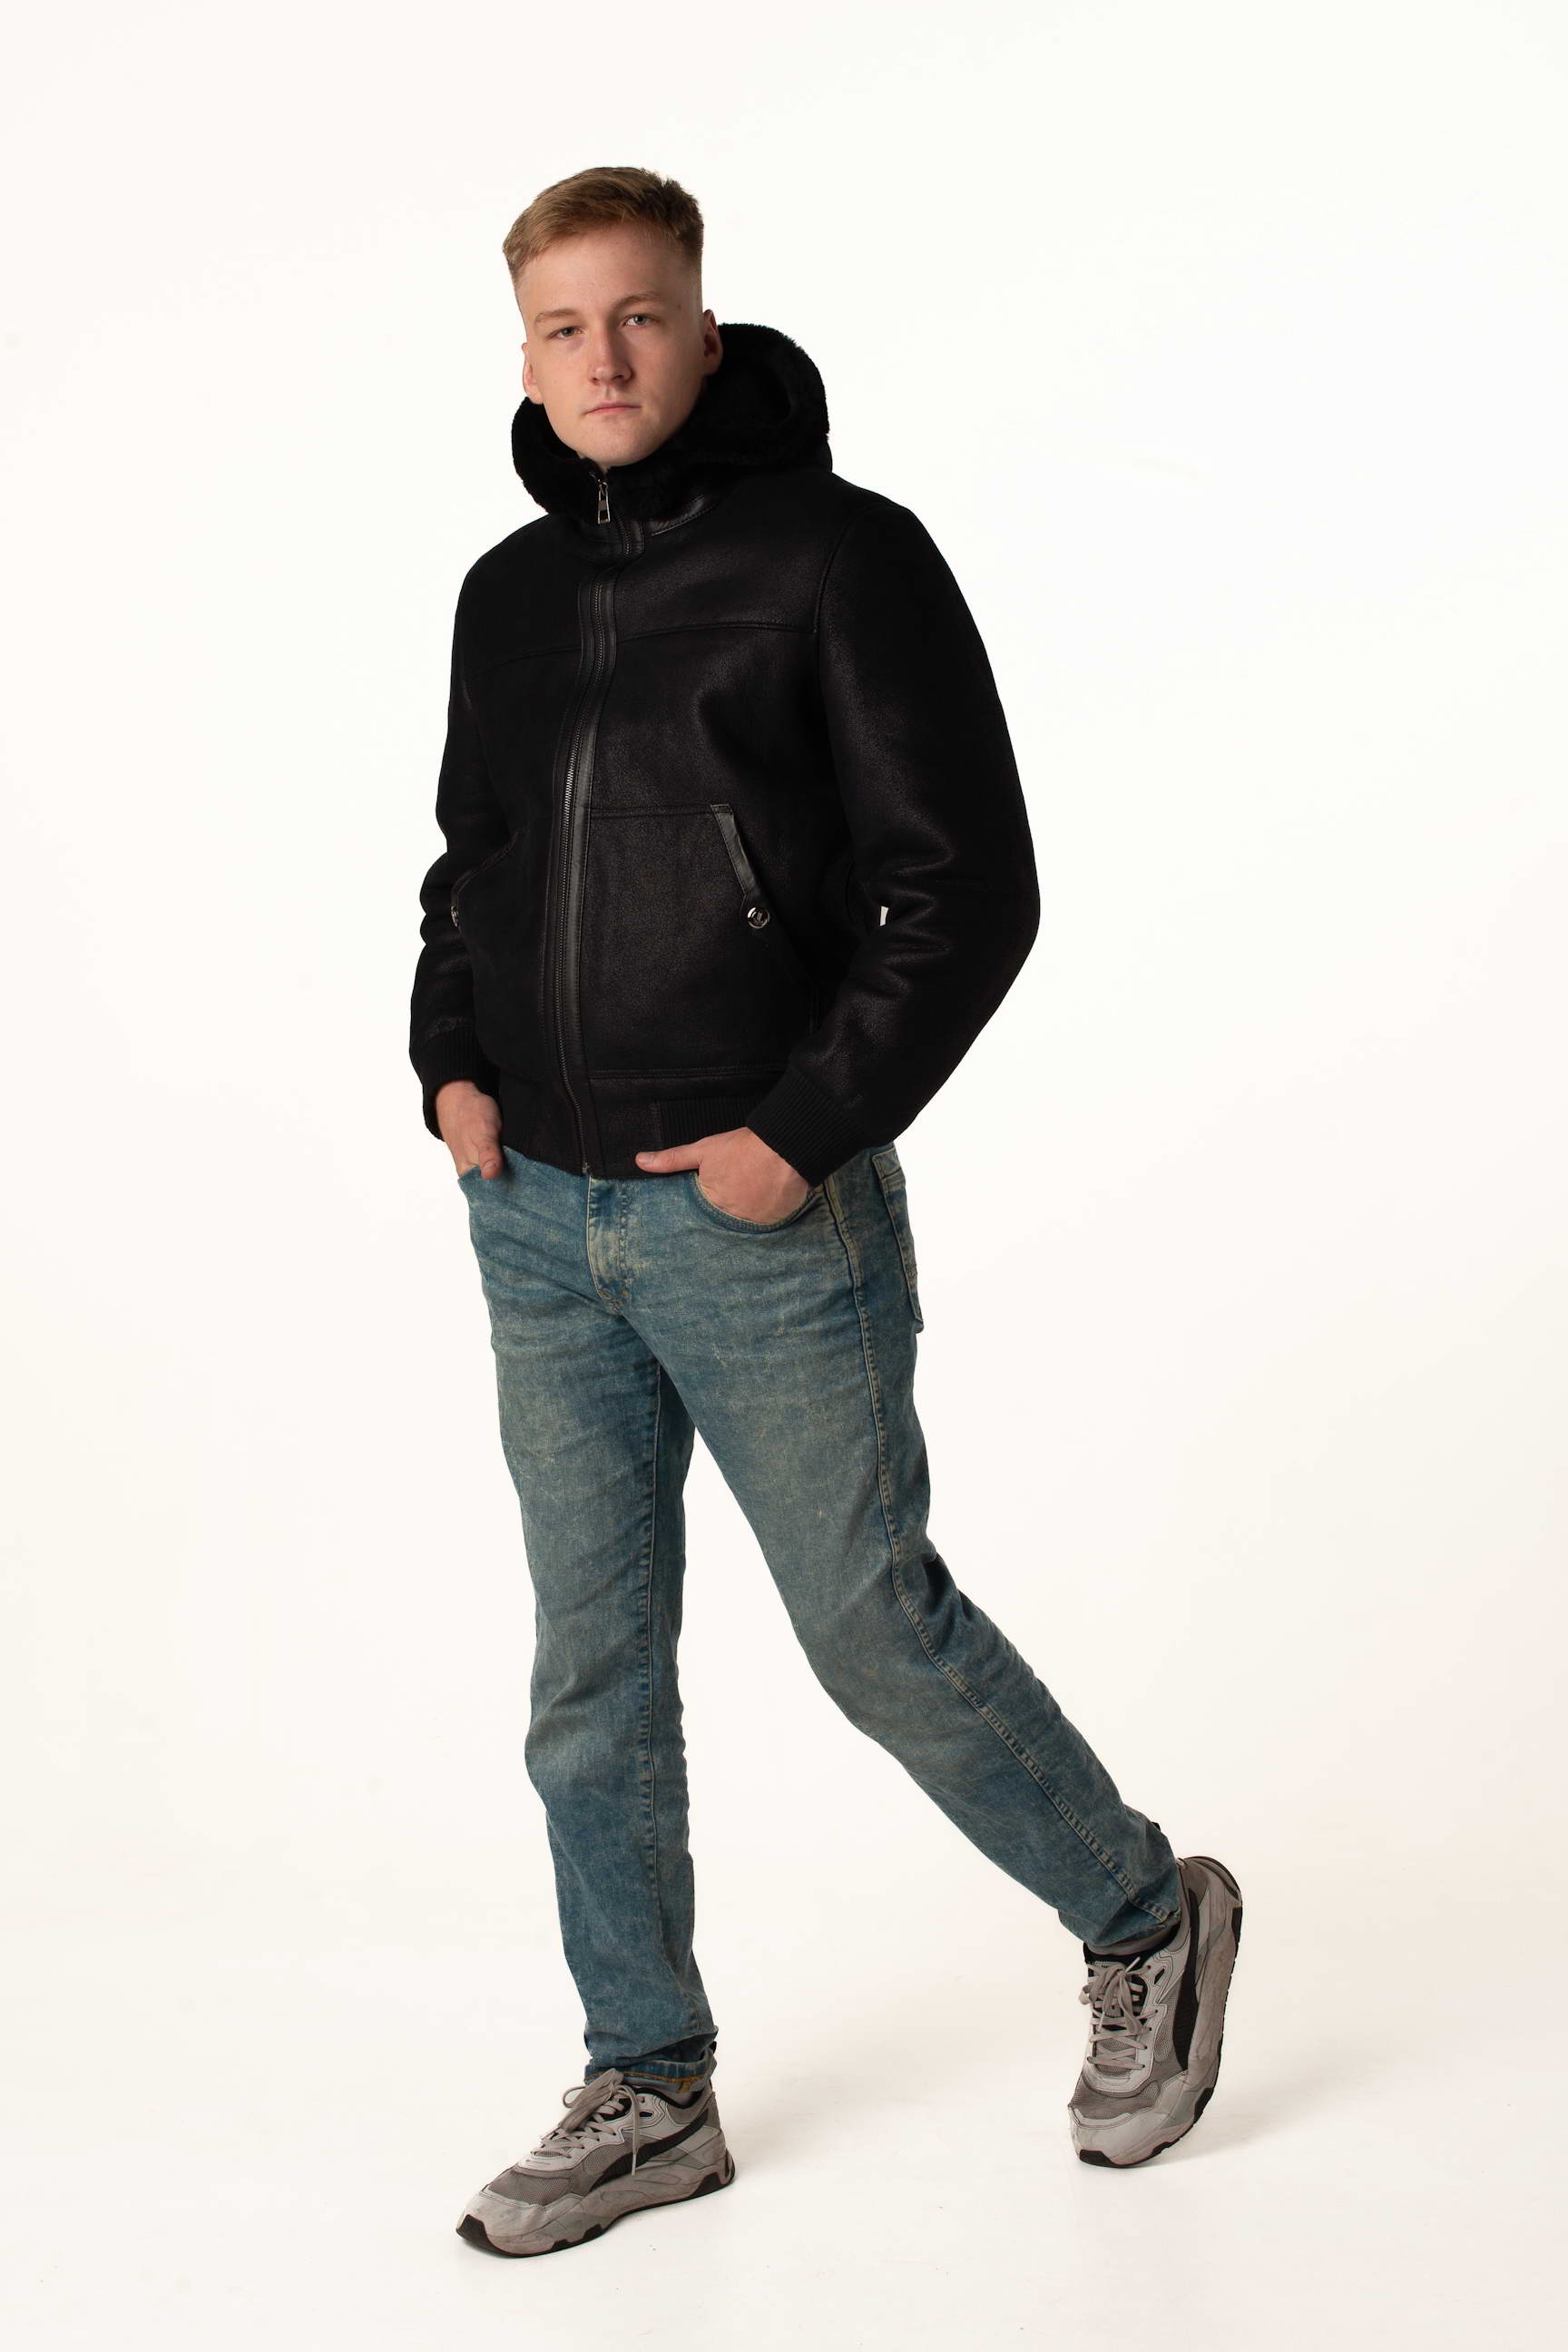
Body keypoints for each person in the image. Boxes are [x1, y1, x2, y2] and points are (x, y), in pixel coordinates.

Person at [408, 165, 1242, 2259]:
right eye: (562, 328)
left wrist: (806, 1125)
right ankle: (647, 2082)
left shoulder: (842, 560)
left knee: (874, 1631)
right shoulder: (507, 597)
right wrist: (451, 1065)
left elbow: (967, 887)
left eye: (639, 317)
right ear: (525, 355)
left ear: (703, 330)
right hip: (538, 1220)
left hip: (760, 1218)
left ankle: (1146, 1914)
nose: (604, 358)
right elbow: (467, 859)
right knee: (590, 1676)